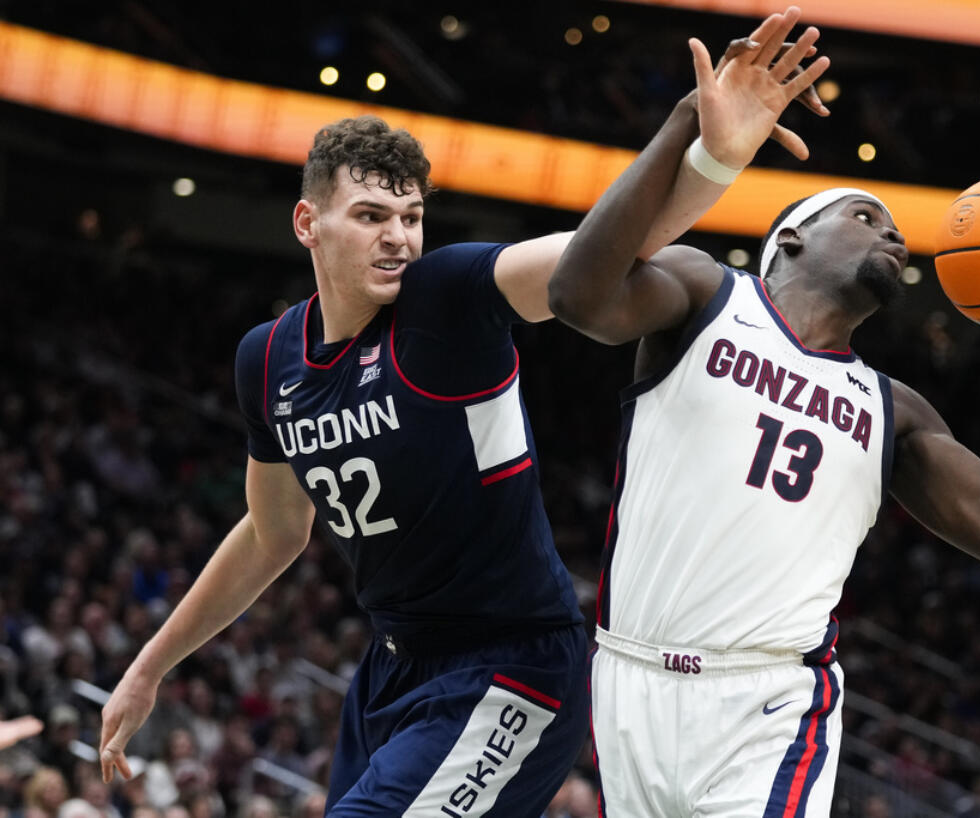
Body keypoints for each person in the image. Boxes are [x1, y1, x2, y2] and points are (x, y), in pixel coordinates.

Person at [95, 13, 824, 815]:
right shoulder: (267, 359)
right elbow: (273, 532)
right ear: (309, 224)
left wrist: (714, 152)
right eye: (372, 216)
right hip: (392, 673)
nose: (399, 238)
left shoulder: (446, 299)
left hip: (513, 667)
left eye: (410, 218)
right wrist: (148, 667)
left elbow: (609, 249)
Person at [546, 7, 980, 816]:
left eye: (898, 232)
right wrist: (687, 124)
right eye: (866, 218)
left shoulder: (891, 409)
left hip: (770, 702)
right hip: (627, 679)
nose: (896, 239)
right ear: (792, 241)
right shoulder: (706, 295)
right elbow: (575, 295)